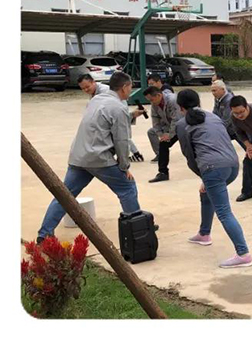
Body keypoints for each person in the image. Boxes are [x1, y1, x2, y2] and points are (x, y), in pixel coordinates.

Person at [37, 71, 140, 241]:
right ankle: (137, 229)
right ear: (124, 87)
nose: (131, 91)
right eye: (130, 87)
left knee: (64, 196)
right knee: (127, 188)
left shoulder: (96, 100)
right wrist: (124, 167)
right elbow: (122, 141)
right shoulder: (119, 107)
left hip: (78, 156)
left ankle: (44, 235)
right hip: (98, 157)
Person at [175, 88, 252, 268]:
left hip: (213, 168)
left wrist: (205, 176)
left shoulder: (182, 124)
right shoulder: (213, 117)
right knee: (206, 194)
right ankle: (204, 234)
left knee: (224, 212)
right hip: (232, 165)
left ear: (180, 107)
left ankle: (243, 254)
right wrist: (206, 179)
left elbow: (190, 156)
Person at [146, 86, 180, 183]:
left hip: (183, 125)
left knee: (191, 147)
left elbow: (176, 119)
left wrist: (169, 134)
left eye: (152, 99)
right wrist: (161, 135)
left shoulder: (173, 100)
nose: (151, 102)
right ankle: (163, 173)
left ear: (159, 95)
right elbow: (155, 120)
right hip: (170, 127)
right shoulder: (154, 104)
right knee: (163, 144)